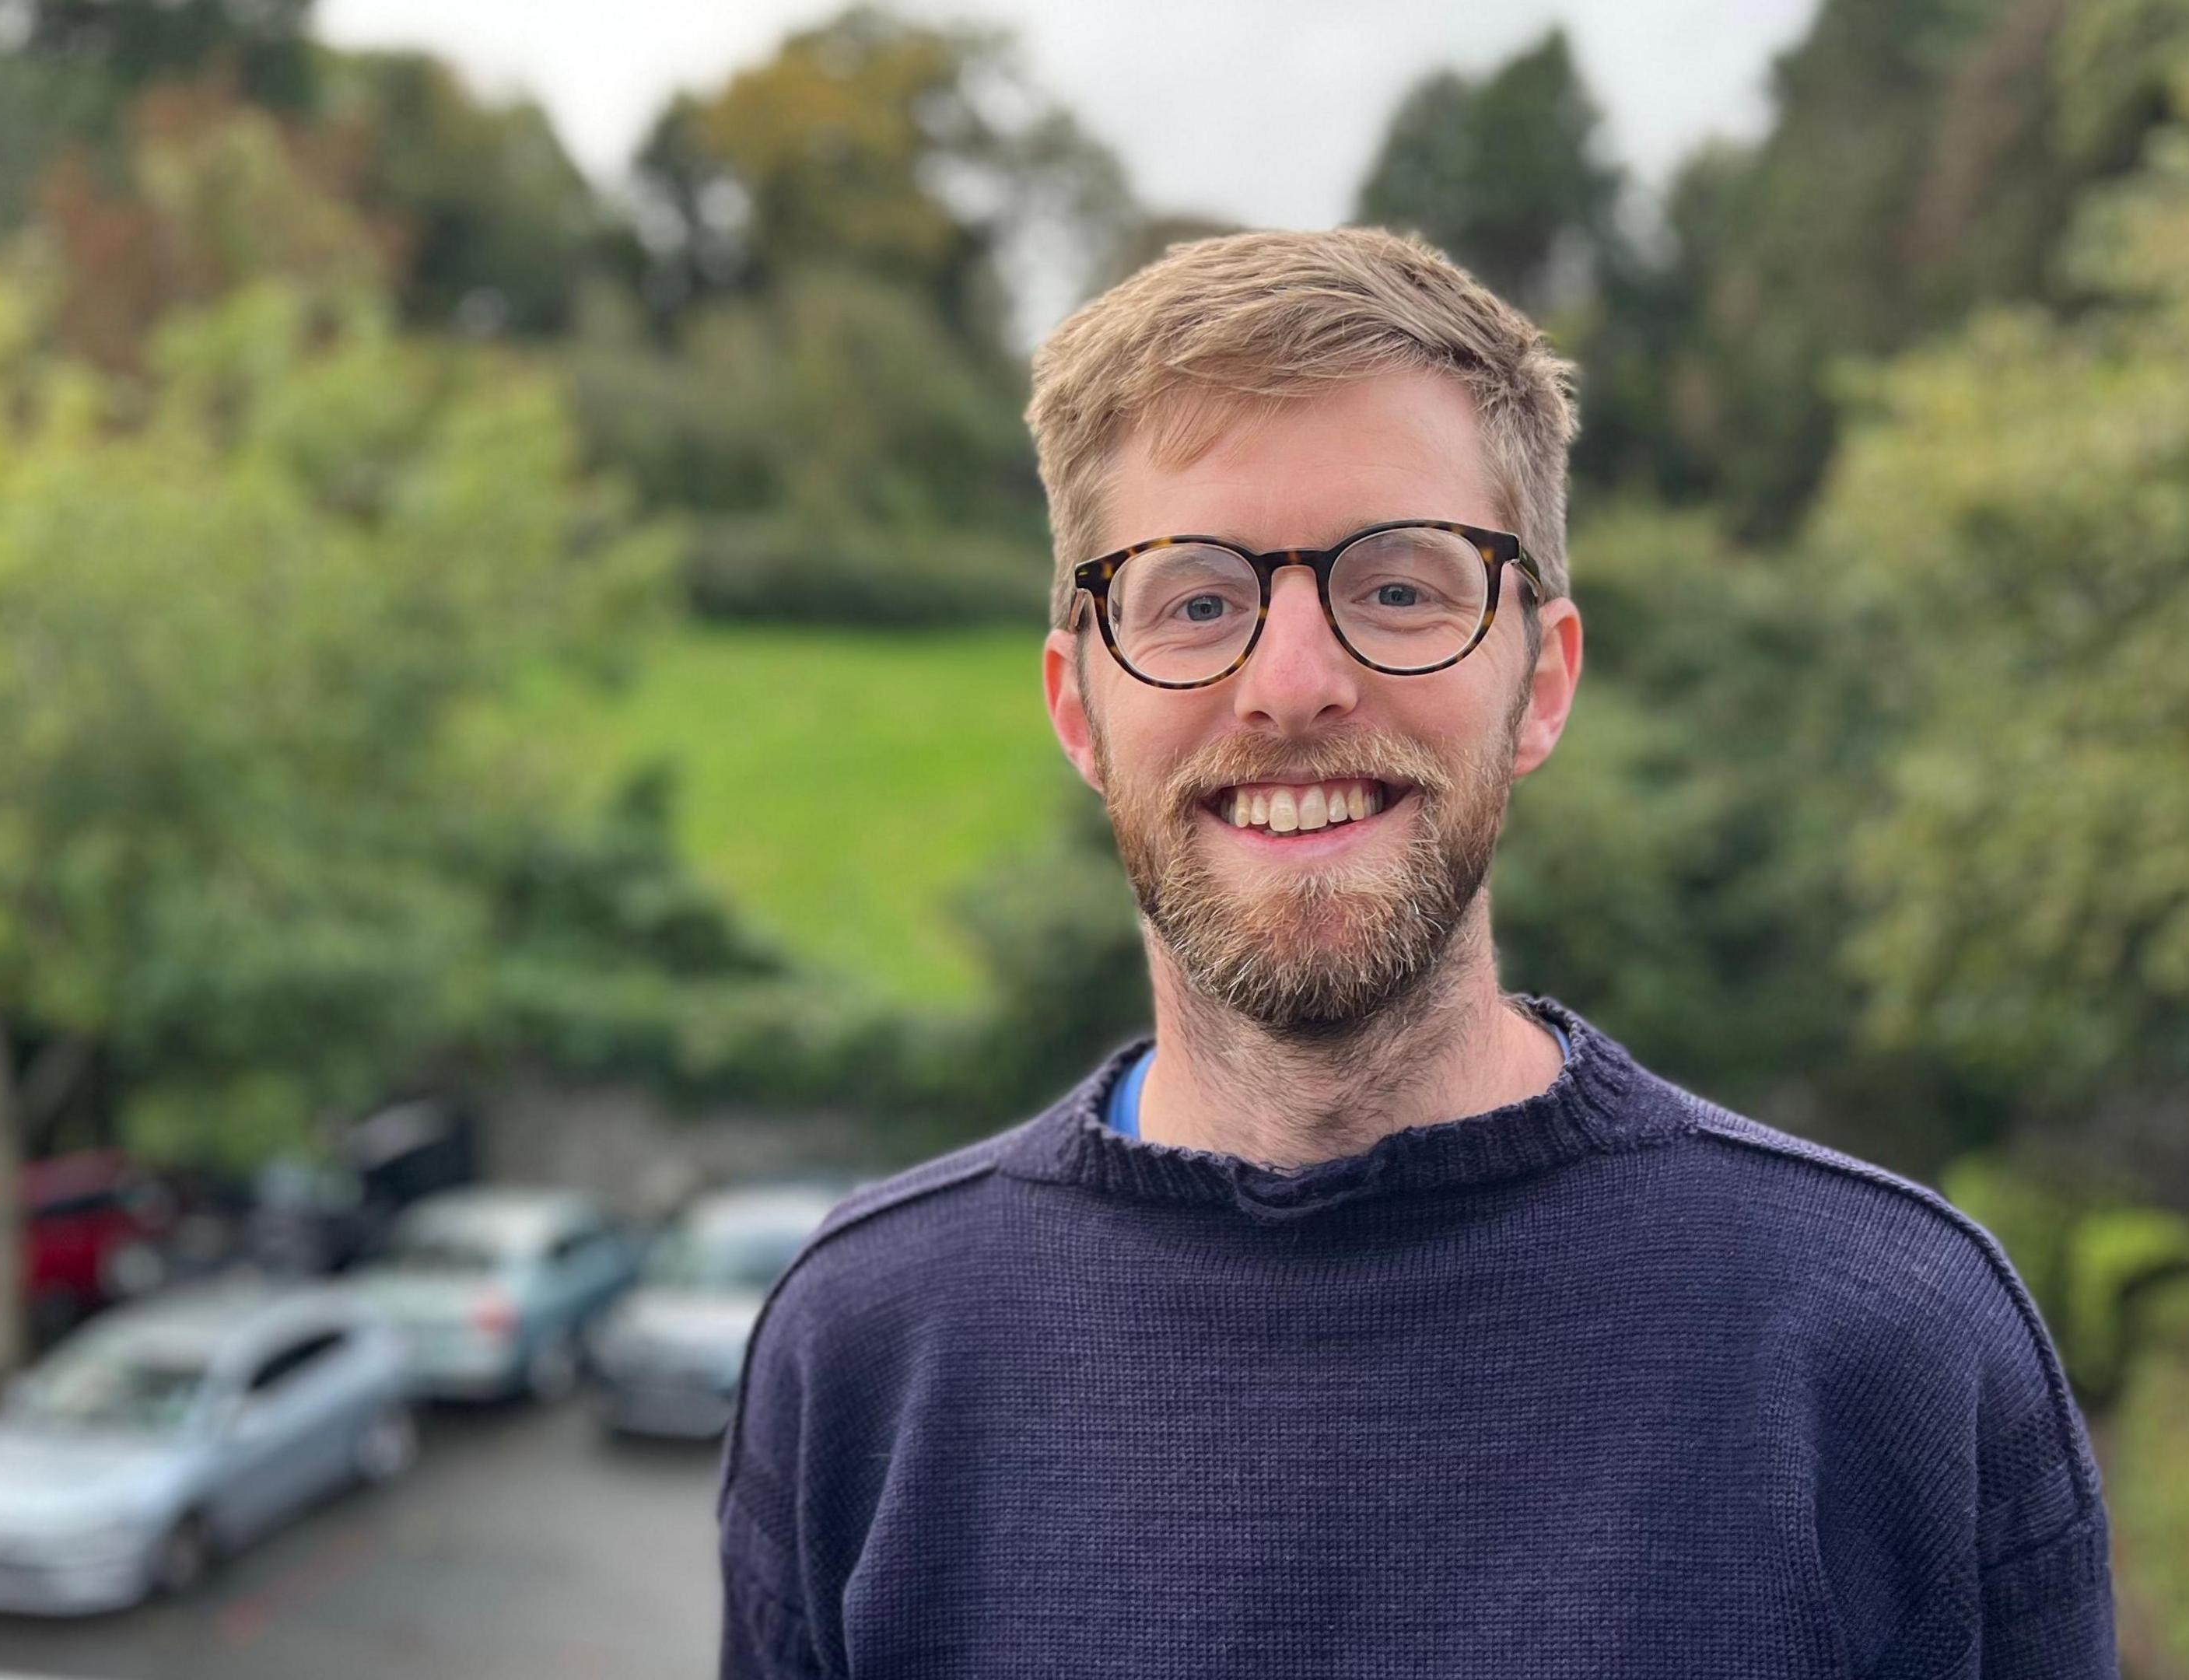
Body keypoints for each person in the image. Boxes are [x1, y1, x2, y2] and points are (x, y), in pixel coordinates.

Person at [716, 228, 2117, 1679]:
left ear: (1541, 682)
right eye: (1196, 599)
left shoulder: (1896, 1350)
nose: (1293, 685)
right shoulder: (861, 1353)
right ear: (1080, 710)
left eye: (1398, 587)